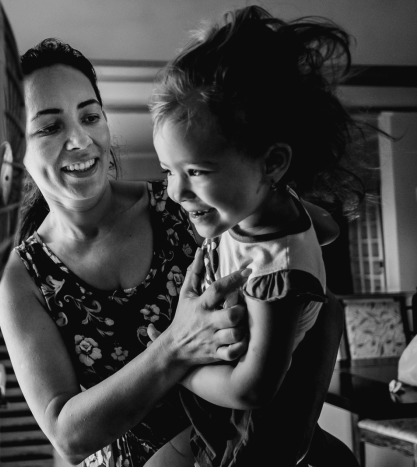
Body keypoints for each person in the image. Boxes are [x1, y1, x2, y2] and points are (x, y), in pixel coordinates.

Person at [0, 38, 342, 467]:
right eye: (50, 127)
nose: (81, 140)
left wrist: (292, 439)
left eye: (89, 116)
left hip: (251, 447)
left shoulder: (191, 202)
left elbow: (309, 262)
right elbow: (67, 434)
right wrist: (175, 346)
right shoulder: (20, 275)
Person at [146, 6, 370, 466]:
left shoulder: (276, 276)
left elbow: (254, 388)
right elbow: (322, 229)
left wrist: (175, 365)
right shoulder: (271, 202)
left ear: (272, 162)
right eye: (168, 170)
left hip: (246, 444)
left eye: (197, 172)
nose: (176, 191)